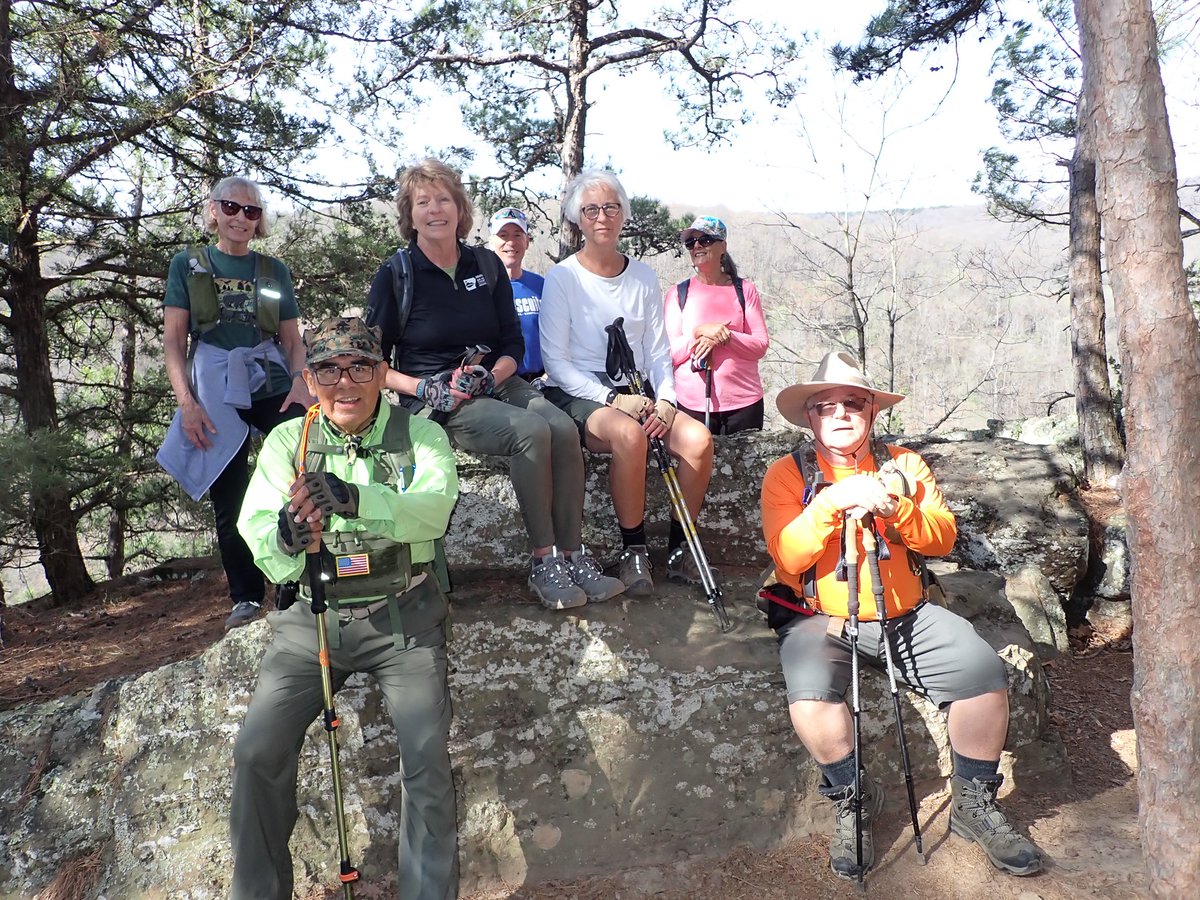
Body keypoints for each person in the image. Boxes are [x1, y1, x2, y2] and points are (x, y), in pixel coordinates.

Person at [759, 351, 1043, 881]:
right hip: (824, 619)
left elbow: (943, 536)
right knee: (810, 699)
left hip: (907, 615)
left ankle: (973, 806)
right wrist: (830, 504)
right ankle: (855, 797)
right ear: (810, 418)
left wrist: (896, 509)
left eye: (853, 403)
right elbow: (789, 557)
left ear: (871, 412)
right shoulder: (787, 476)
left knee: (982, 674)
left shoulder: (906, 464)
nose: (840, 413)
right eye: (826, 406)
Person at [231, 316, 459, 900]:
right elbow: (254, 524)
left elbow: (433, 510)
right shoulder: (289, 441)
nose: (346, 382)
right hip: (312, 621)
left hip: (402, 617)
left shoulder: (422, 436)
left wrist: (357, 498)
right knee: (257, 752)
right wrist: (286, 540)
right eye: (328, 370)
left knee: (426, 759)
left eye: (360, 367)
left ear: (382, 374)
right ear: (310, 379)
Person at [364, 159, 623, 611]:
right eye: (423, 202)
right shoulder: (398, 274)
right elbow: (371, 363)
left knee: (563, 427)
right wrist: (426, 389)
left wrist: (491, 374)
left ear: (460, 208)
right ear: (410, 213)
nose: (435, 210)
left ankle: (573, 555)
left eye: (444, 199)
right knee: (531, 431)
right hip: (439, 399)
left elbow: (510, 343)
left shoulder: (484, 263)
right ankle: (544, 563)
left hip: (495, 380)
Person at [540, 169, 716, 597]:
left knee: (698, 441)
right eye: (592, 209)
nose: (602, 216)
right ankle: (633, 549)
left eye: (611, 207)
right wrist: (613, 399)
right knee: (629, 436)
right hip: (582, 390)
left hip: (639, 387)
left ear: (623, 215)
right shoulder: (563, 278)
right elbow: (556, 362)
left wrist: (668, 400)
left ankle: (680, 548)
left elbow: (656, 350)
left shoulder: (641, 276)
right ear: (578, 219)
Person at [159, 176, 311, 631]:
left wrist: (302, 383)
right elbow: (173, 341)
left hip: (269, 380)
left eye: (251, 211)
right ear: (213, 211)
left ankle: (297, 580)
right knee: (231, 495)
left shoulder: (272, 270)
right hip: (213, 384)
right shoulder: (188, 266)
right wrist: (187, 403)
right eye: (231, 207)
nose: (241, 218)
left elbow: (291, 339)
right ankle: (245, 597)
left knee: (304, 470)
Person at [664, 216, 769, 434]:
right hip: (691, 405)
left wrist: (725, 335)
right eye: (691, 243)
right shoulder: (677, 294)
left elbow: (760, 345)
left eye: (705, 240)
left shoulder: (745, 290)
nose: (697, 246)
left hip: (744, 403)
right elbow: (669, 354)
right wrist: (699, 333)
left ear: (723, 246)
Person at [489, 206, 546, 382]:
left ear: (527, 241)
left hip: (543, 381)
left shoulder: (542, 285)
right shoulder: (483, 289)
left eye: (517, 235)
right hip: (500, 384)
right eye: (503, 235)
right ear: (491, 242)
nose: (511, 242)